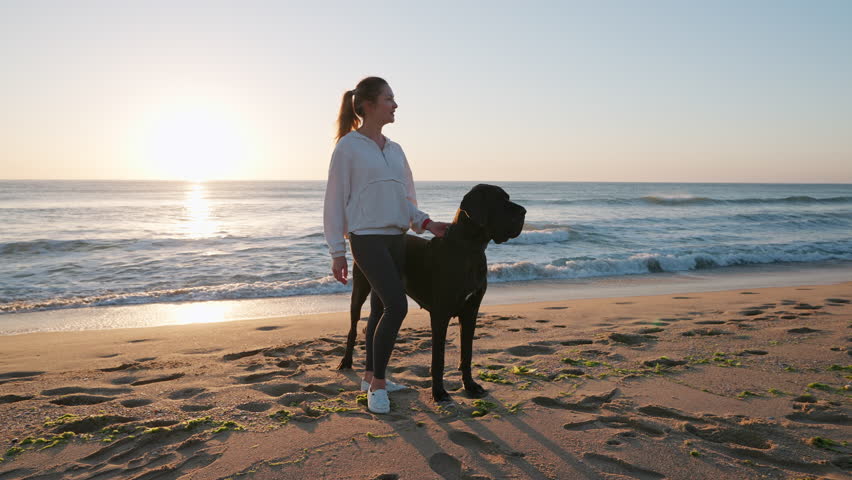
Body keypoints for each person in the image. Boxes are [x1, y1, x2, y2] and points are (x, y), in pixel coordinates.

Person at [323, 76, 449, 414]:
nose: (395, 105)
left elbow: (404, 199)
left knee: (380, 310)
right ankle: (378, 386)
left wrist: (425, 222)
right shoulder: (348, 147)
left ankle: (369, 376)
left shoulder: (395, 150)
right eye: (389, 99)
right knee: (398, 306)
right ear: (367, 104)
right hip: (366, 239)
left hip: (396, 239)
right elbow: (334, 201)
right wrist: (337, 251)